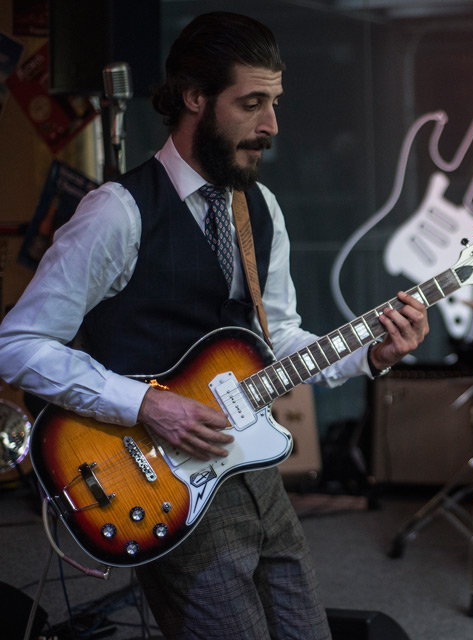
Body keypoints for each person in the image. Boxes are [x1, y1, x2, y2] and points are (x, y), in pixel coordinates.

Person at [0, 12, 429, 640]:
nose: (271, 127)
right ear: (194, 97)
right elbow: (16, 346)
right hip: (155, 481)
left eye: (275, 103)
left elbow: (277, 338)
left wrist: (372, 355)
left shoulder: (261, 207)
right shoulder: (117, 214)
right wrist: (148, 405)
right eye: (251, 104)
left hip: (252, 472)